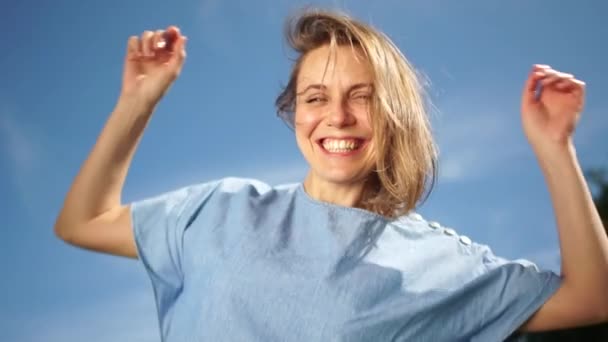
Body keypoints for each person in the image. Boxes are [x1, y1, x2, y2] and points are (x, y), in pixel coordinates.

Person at [54, 9, 608, 342]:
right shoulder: (218, 210)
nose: (337, 117)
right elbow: (84, 221)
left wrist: (554, 148)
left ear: (396, 114)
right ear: (293, 113)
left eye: (361, 98)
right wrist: (137, 101)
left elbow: (593, 297)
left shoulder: (439, 267)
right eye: (315, 98)